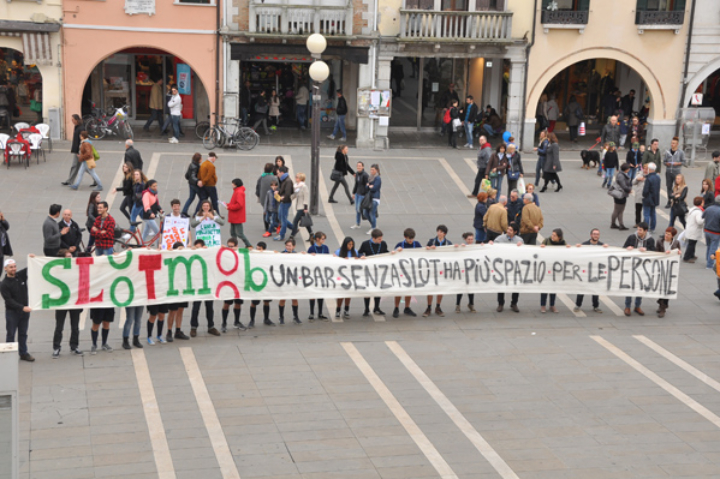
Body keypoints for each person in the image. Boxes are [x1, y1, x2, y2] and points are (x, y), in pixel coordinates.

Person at [1, 258, 34, 361]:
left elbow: (32, 267)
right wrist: (22, 307)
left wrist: (33, 258)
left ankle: (23, 353)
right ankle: (9, 355)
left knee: (23, 333)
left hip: (24, 312)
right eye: (11, 267)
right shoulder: (4, 284)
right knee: (11, 334)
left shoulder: (20, 276)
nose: (13, 269)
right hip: (12, 313)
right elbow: (9, 301)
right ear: (5, 268)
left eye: (14, 266)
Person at [52, 250, 83, 358]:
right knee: (59, 327)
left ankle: (74, 346)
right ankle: (56, 347)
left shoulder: (76, 267)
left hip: (74, 301)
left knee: (75, 326)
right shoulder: (58, 270)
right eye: (68, 256)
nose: (71, 258)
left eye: (71, 256)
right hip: (62, 302)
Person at [188, 238, 222, 336]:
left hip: (207, 286)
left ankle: (211, 326)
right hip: (197, 286)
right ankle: (193, 327)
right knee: (196, 307)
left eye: (199, 248)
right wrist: (189, 250)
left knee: (209, 307)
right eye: (196, 248)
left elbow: (217, 254)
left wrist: (209, 250)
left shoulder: (208, 255)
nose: (198, 250)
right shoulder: (193, 256)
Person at [623, 222, 655, 316]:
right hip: (631, 266)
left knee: (640, 286)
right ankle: (627, 306)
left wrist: (646, 250)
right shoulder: (632, 237)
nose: (638, 231)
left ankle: (637, 306)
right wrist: (627, 248)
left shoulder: (650, 240)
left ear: (646, 231)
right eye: (638, 229)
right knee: (630, 286)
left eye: (640, 230)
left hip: (643, 268)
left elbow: (654, 251)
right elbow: (623, 248)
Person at [574, 229, 607, 313]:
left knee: (595, 289)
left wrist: (608, 248)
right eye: (594, 234)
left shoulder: (602, 245)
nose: (596, 236)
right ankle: (578, 305)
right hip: (586, 271)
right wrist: (577, 248)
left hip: (595, 271)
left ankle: (596, 306)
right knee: (582, 288)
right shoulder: (584, 245)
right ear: (591, 235)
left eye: (597, 234)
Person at [492, 223, 523, 313]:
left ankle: (514, 303)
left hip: (514, 267)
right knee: (501, 285)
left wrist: (521, 247)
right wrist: (491, 244)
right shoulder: (499, 239)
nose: (508, 231)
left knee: (516, 285)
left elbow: (523, 253)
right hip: (502, 266)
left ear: (515, 232)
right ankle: (500, 303)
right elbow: (493, 249)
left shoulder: (519, 240)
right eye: (508, 229)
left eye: (510, 230)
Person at [359, 229, 390, 317]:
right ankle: (366, 308)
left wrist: (392, 253)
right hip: (368, 270)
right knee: (367, 290)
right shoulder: (365, 244)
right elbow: (359, 252)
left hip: (379, 271)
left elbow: (386, 252)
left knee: (378, 290)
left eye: (381, 238)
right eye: (379, 239)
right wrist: (361, 256)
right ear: (374, 238)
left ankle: (376, 307)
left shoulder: (383, 244)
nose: (381, 240)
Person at [423, 225, 452, 317]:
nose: (439, 233)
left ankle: (438, 306)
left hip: (442, 269)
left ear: (444, 234)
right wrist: (428, 249)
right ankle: (428, 307)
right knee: (430, 288)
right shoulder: (431, 241)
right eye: (438, 231)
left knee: (440, 288)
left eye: (441, 232)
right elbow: (424, 252)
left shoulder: (448, 243)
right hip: (432, 268)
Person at [539, 229, 571, 313]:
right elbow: (540, 252)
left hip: (556, 269)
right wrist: (541, 248)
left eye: (554, 235)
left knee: (553, 287)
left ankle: (552, 305)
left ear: (559, 237)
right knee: (545, 287)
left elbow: (566, 254)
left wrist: (569, 248)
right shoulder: (546, 241)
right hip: (546, 267)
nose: (552, 236)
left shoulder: (563, 243)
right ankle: (543, 305)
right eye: (552, 234)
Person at [392, 228, 421, 318]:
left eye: (412, 239)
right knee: (399, 290)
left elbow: (422, 254)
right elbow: (392, 255)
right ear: (405, 237)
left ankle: (407, 307)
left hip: (412, 271)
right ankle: (396, 307)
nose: (411, 240)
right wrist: (396, 251)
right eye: (409, 239)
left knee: (409, 290)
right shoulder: (400, 245)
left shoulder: (417, 244)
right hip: (401, 271)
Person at [655, 227, 681, 318]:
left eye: (668, 234)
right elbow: (656, 252)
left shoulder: (676, 243)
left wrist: (677, 253)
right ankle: (660, 302)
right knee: (660, 287)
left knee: (667, 288)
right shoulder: (659, 241)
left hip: (670, 269)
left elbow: (678, 253)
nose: (666, 235)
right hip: (661, 267)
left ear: (672, 236)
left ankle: (663, 307)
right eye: (666, 233)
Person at [222, 178, 252, 248]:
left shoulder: (239, 192)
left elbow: (239, 205)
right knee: (233, 233)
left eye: (233, 183)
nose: (232, 185)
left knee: (239, 233)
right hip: (235, 215)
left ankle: (248, 245)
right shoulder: (237, 191)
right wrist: (228, 204)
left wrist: (229, 207)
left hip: (237, 216)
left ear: (236, 184)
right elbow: (235, 203)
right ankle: (233, 245)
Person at [307, 232, 330, 322]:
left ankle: (320, 312)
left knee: (321, 293)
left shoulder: (325, 248)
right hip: (313, 273)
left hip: (322, 273)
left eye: (324, 239)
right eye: (322, 239)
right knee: (312, 293)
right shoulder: (312, 248)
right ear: (317, 239)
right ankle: (311, 312)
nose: (324, 240)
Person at [334, 237, 359, 319]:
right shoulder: (338, 252)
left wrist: (358, 259)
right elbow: (334, 262)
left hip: (350, 276)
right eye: (349, 244)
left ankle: (346, 309)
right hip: (341, 276)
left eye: (352, 244)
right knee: (341, 294)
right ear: (345, 244)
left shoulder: (355, 252)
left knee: (348, 294)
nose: (351, 246)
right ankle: (338, 309)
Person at [455, 232, 477, 313]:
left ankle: (471, 304)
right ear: (465, 239)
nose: (470, 241)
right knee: (461, 288)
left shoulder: (475, 247)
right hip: (463, 271)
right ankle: (457, 305)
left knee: (471, 289)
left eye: (471, 239)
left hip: (471, 271)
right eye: (469, 239)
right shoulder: (462, 247)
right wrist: (458, 248)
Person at [61, 114, 83, 186]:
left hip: (80, 151)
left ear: (77, 120)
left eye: (73, 119)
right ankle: (70, 180)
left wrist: (79, 151)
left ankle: (70, 181)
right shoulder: (77, 127)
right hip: (77, 150)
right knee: (77, 166)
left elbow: (82, 140)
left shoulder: (81, 128)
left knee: (85, 167)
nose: (72, 121)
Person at [663, 137, 685, 208]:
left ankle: (676, 200)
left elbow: (684, 162)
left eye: (674, 143)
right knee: (669, 187)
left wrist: (678, 163)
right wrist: (666, 163)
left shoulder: (681, 152)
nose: (672, 144)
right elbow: (664, 161)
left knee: (677, 187)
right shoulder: (667, 152)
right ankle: (669, 201)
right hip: (668, 172)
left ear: (677, 144)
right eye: (671, 143)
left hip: (677, 172)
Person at [289, 173, 312, 240]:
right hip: (299, 207)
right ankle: (311, 234)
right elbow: (294, 195)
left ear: (301, 178)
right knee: (305, 222)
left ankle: (292, 235)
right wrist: (287, 199)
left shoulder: (304, 187)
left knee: (295, 221)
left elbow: (306, 197)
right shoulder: (297, 187)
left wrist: (305, 207)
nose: (296, 178)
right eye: (296, 177)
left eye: (297, 177)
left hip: (302, 207)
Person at [610, 163, 632, 230]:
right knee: (619, 210)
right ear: (626, 169)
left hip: (618, 194)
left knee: (617, 209)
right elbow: (623, 186)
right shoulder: (621, 175)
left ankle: (615, 224)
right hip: (621, 194)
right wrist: (629, 190)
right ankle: (620, 224)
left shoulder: (620, 174)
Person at [274, 166, 294, 241]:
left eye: (278, 173)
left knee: (283, 219)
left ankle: (282, 235)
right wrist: (278, 193)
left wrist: (281, 197)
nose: (277, 175)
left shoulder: (288, 181)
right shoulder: (284, 180)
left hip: (285, 202)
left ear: (282, 173)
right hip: (283, 201)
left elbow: (287, 193)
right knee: (281, 217)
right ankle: (293, 228)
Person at [181, 153, 204, 217]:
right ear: (198, 160)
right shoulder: (196, 167)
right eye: (201, 158)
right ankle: (196, 212)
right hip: (196, 185)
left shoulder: (191, 164)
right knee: (202, 198)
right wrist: (197, 181)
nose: (202, 159)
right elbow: (193, 176)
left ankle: (184, 211)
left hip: (190, 184)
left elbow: (187, 175)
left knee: (191, 198)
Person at [142, 180, 163, 246]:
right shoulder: (146, 194)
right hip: (148, 216)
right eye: (154, 186)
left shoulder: (154, 193)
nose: (155, 187)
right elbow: (146, 206)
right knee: (158, 233)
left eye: (156, 186)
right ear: (149, 186)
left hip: (152, 216)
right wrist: (150, 213)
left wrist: (160, 209)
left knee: (145, 232)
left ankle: (141, 245)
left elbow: (156, 203)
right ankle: (158, 247)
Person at [684, 197, 704, 263]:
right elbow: (699, 221)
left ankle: (692, 255)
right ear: (701, 203)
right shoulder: (698, 212)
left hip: (690, 228)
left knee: (693, 243)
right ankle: (686, 257)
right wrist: (704, 219)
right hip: (694, 230)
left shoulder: (692, 209)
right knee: (691, 244)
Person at [642, 162, 661, 234]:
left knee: (646, 214)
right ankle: (652, 228)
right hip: (655, 198)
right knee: (653, 213)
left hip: (648, 198)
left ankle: (646, 228)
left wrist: (644, 195)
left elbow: (645, 190)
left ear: (649, 169)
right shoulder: (658, 177)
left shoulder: (648, 178)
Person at [703, 195, 720, 270]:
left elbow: (703, 216)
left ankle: (708, 260)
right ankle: (709, 264)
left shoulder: (709, 208)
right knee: (713, 248)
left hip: (707, 230)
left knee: (709, 246)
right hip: (716, 232)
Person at [351, 161, 369, 229]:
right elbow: (356, 184)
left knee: (360, 210)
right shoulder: (357, 174)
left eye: (360, 166)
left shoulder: (365, 175)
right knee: (357, 209)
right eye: (357, 166)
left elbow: (367, 185)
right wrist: (353, 193)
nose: (358, 167)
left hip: (362, 195)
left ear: (363, 167)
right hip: (357, 194)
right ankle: (357, 223)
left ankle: (372, 221)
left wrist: (366, 194)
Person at [366, 164, 382, 235]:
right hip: (369, 198)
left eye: (373, 170)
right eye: (371, 169)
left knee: (372, 213)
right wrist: (369, 186)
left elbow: (375, 188)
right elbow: (366, 187)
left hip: (375, 198)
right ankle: (373, 224)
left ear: (377, 170)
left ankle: (373, 227)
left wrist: (369, 186)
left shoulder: (377, 178)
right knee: (365, 212)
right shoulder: (370, 177)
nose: (371, 171)